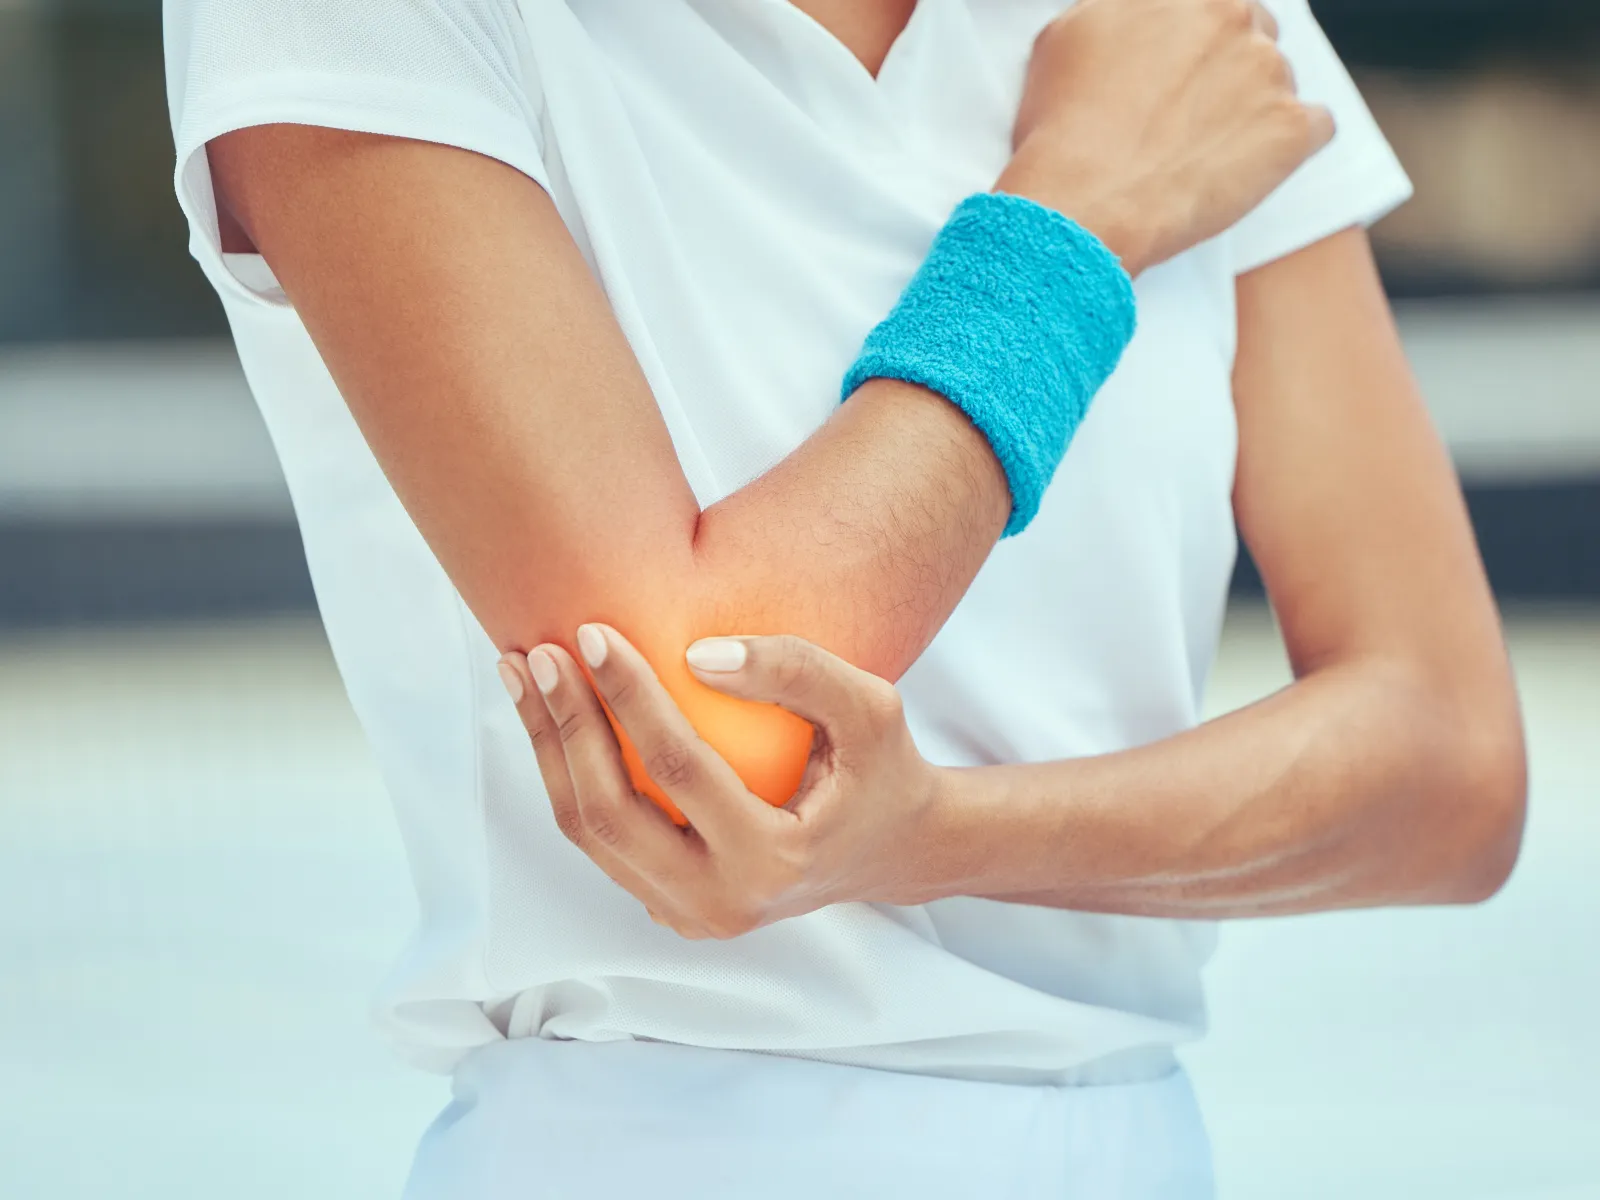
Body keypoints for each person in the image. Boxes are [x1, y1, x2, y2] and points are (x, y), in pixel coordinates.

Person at [163, 0, 1527, 1195]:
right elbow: (716, 732)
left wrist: (934, 835)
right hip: (651, 1142)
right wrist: (1075, 223)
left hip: (1147, 1138)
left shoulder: (1195, 23)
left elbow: (1455, 765)